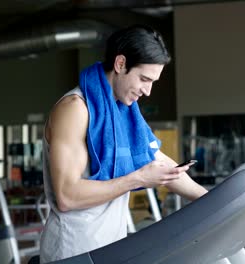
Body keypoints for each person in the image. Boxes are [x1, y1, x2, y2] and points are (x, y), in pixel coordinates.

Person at [40, 25, 208, 263]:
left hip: (111, 249)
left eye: (153, 82)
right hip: (73, 252)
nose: (148, 91)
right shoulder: (76, 109)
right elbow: (68, 196)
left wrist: (214, 200)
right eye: (144, 79)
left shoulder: (123, 114)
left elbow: (161, 165)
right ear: (120, 64)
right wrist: (138, 178)